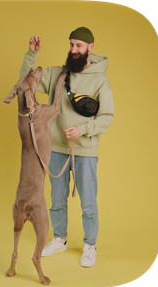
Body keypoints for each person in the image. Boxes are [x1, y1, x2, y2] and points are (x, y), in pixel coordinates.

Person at [20, 27, 114, 267]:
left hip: (85, 152)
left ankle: (89, 245)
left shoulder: (100, 79)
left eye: (79, 46)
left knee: (88, 202)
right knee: (57, 199)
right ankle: (60, 239)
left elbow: (107, 116)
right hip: (57, 149)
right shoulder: (58, 74)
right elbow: (25, 83)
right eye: (71, 45)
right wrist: (32, 54)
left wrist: (81, 130)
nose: (73, 50)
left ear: (90, 48)